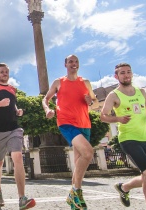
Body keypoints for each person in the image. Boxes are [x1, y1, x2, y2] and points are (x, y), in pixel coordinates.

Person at [100, 63, 146, 210]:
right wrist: (118, 119)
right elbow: (103, 116)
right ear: (116, 76)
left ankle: (124, 188)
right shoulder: (114, 95)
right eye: (122, 73)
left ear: (132, 74)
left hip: (145, 137)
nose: (126, 75)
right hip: (128, 138)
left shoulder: (141, 92)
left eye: (128, 72)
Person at [42, 54, 97, 210]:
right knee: (88, 153)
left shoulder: (85, 82)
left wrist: (90, 102)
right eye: (70, 61)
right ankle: (77, 191)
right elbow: (45, 99)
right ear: (65, 64)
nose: (74, 64)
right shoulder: (59, 82)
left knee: (79, 161)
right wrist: (47, 109)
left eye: (76, 61)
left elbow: (95, 102)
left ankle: (73, 201)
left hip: (84, 123)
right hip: (66, 122)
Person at [0, 63, 35, 209]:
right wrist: (0, 103)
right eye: (2, 72)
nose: (4, 74)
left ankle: (22, 198)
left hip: (13, 129)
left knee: (17, 156)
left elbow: (12, 106)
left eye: (6, 72)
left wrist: (18, 111)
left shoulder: (12, 89)